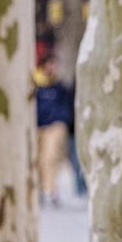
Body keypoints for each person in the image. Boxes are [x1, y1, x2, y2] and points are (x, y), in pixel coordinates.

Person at [34, 55, 74, 206]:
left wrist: (62, 119)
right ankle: (38, 190)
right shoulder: (35, 85)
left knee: (49, 157)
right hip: (37, 126)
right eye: (51, 64)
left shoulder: (59, 87)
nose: (53, 68)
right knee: (36, 159)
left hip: (54, 125)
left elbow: (66, 105)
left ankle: (50, 190)